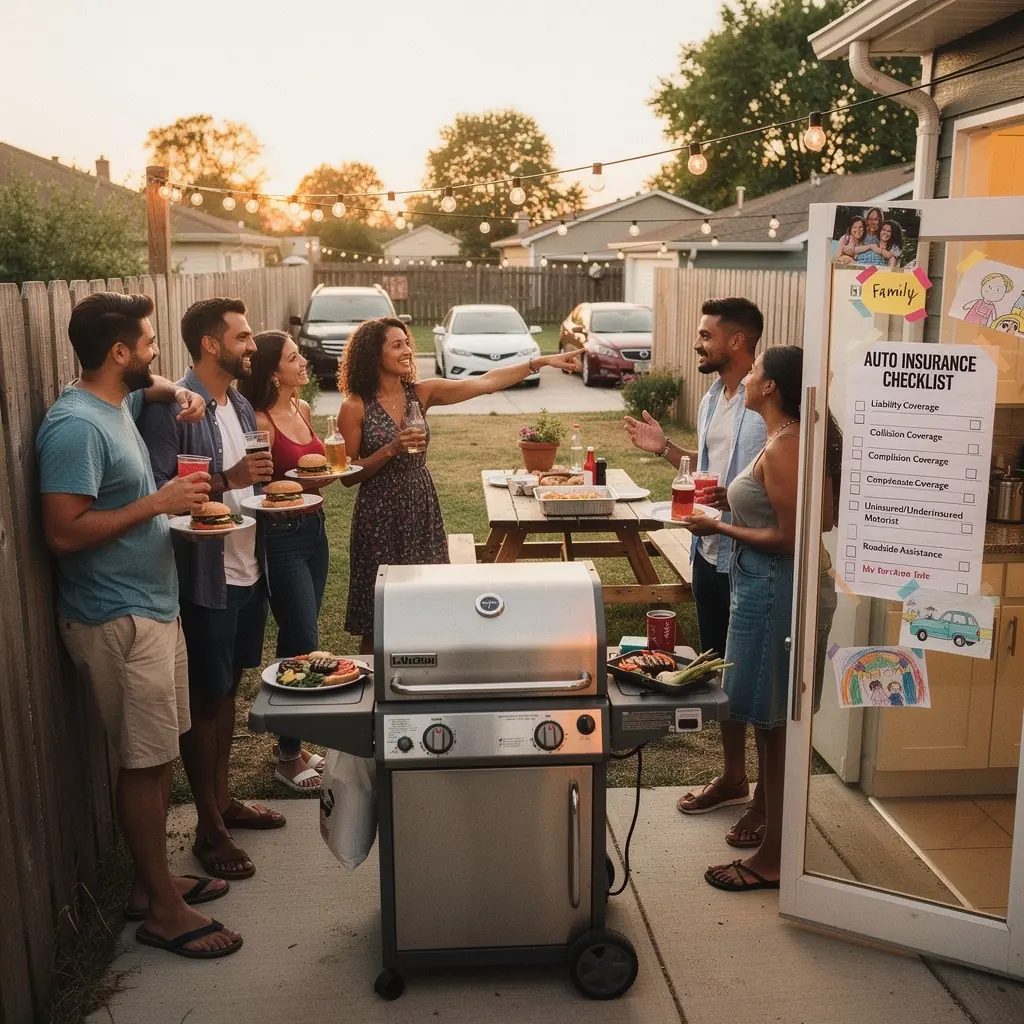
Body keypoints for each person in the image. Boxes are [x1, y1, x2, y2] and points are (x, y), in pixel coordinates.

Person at [37, 292, 242, 958]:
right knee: (143, 765)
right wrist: (159, 501)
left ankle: (146, 885)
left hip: (153, 608)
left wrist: (170, 395)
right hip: (116, 619)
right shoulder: (75, 427)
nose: (158, 353)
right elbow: (63, 531)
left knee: (155, 765)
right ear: (118, 352)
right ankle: (164, 911)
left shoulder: (116, 401)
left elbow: (146, 386)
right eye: (148, 343)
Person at [682, 346, 840, 892]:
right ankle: (766, 821)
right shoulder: (781, 439)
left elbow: (790, 539)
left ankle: (775, 860)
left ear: (770, 386)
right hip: (763, 587)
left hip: (777, 590)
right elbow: (778, 509)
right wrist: (728, 499)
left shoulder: (787, 444)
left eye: (753, 372)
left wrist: (718, 529)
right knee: (771, 722)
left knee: (777, 727)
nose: (746, 378)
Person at [140, 297, 283, 882]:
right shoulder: (174, 407)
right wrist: (230, 480)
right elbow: (160, 490)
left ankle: (223, 799)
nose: (253, 346)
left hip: (249, 566)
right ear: (210, 344)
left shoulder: (241, 401)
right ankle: (207, 824)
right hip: (206, 575)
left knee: (229, 689)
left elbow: (252, 480)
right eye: (244, 338)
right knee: (205, 698)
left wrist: (275, 489)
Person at [338, 317, 580, 653]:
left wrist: (538, 363)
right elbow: (347, 475)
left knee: (428, 601)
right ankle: (374, 693)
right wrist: (391, 448)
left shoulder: (421, 394)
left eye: (407, 342)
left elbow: (487, 382)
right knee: (378, 615)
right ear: (371, 354)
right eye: (397, 345)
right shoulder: (354, 407)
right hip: (378, 513)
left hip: (420, 502)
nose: (408, 350)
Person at [624, 296, 767, 849]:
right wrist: (666, 451)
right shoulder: (713, 397)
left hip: (749, 556)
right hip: (709, 554)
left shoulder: (765, 399)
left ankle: (766, 800)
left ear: (736, 341)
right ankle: (734, 776)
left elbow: (765, 489)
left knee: (757, 680)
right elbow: (708, 476)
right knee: (721, 670)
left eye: (707, 334)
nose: (698, 342)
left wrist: (724, 519)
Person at [237, 330, 334, 793]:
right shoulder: (258, 421)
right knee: (304, 640)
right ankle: (289, 757)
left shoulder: (304, 409)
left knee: (299, 634)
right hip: (281, 538)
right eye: (294, 358)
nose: (303, 363)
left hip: (315, 531)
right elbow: (255, 488)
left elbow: (312, 477)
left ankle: (287, 743)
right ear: (273, 371)